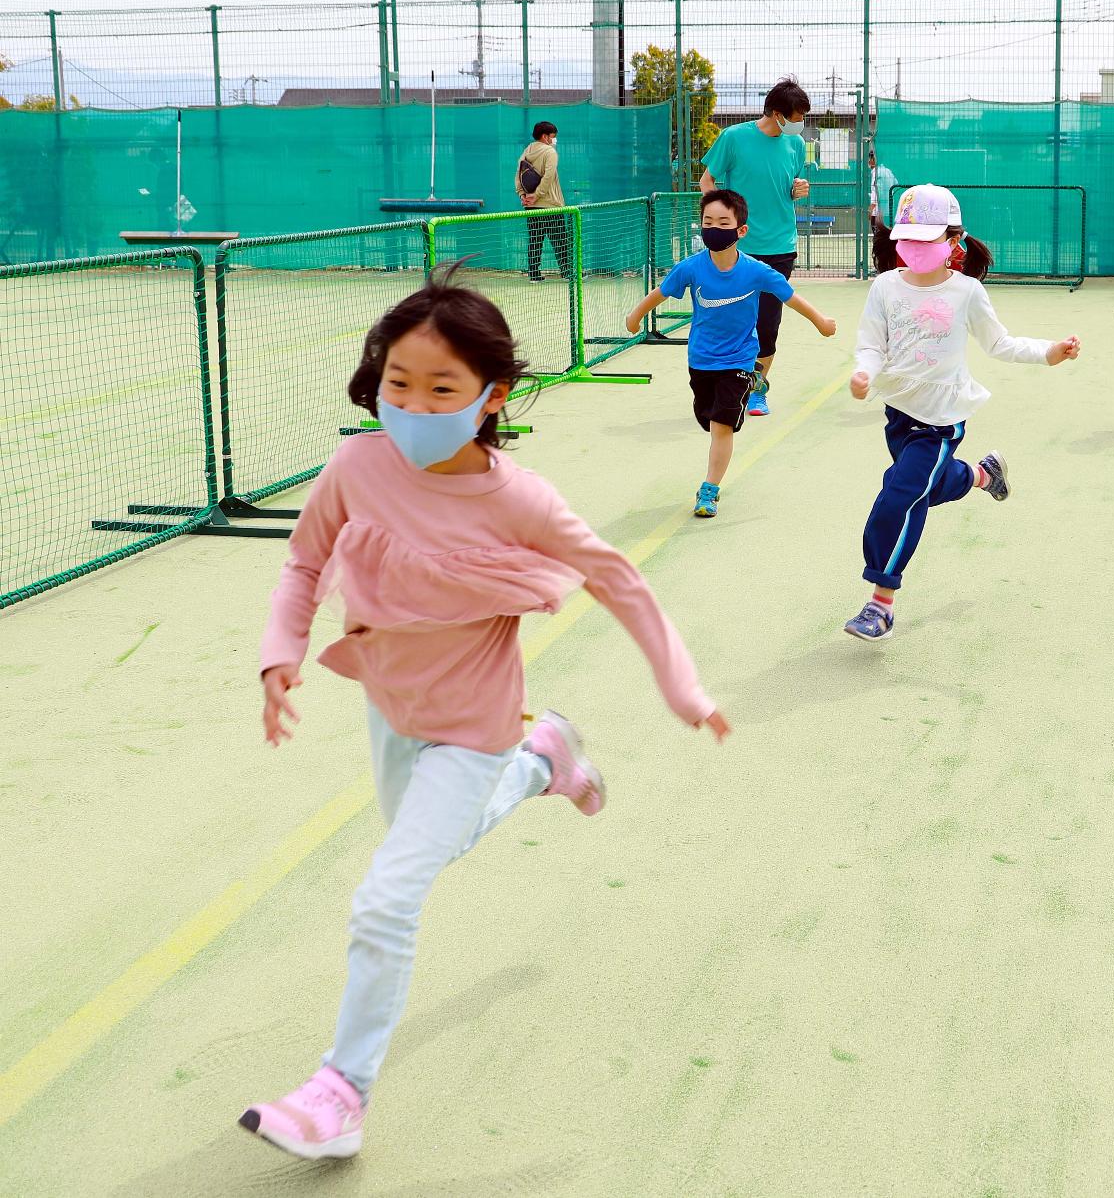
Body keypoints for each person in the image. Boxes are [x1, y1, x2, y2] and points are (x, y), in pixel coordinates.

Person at [241, 271, 729, 1161]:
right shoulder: (355, 466)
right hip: (392, 708)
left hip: (473, 722)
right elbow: (304, 563)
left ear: (489, 397)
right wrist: (280, 652)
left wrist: (682, 686)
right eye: (397, 382)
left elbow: (617, 578)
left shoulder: (520, 500)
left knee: (388, 895)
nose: (413, 403)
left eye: (440, 389)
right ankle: (548, 761)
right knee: (435, 846)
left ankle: (340, 1093)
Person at [844, 185, 1080, 641]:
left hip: (941, 420)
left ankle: (880, 604)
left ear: (954, 240)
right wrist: (864, 373)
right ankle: (982, 476)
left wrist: (1050, 352)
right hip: (899, 414)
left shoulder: (966, 291)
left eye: (928, 238)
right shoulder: (885, 287)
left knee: (901, 496)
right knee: (923, 488)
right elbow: (872, 344)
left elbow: (1000, 344)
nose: (915, 246)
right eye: (908, 237)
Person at [623, 188, 836, 517]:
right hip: (701, 359)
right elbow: (660, 293)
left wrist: (821, 321)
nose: (714, 227)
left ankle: (709, 489)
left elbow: (790, 297)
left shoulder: (756, 271)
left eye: (723, 222)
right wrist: (635, 317)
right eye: (708, 221)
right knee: (707, 419)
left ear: (741, 231)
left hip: (739, 358)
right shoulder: (692, 268)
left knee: (722, 425)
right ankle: (750, 389)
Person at [698, 79, 811, 418]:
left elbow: (782, 185)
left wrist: (796, 189)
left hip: (780, 247)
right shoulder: (734, 138)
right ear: (776, 114)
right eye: (796, 116)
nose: (800, 122)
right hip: (737, 249)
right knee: (729, 321)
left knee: (767, 324)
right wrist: (718, 221)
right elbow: (707, 181)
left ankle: (756, 389)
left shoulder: (796, 145)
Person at [515, 121, 571, 283]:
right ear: (545, 137)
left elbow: (518, 174)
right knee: (560, 240)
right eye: (553, 137)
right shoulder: (550, 152)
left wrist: (523, 195)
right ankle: (567, 273)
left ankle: (534, 275)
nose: (554, 140)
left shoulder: (527, 150)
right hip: (551, 204)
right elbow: (549, 176)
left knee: (535, 240)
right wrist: (538, 194)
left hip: (531, 206)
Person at [867, 147, 897, 228]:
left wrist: (871, 208)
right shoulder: (888, 171)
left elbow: (876, 191)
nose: (868, 161)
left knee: (878, 235)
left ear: (873, 159)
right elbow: (896, 185)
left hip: (878, 212)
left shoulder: (876, 172)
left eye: (869, 158)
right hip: (889, 210)